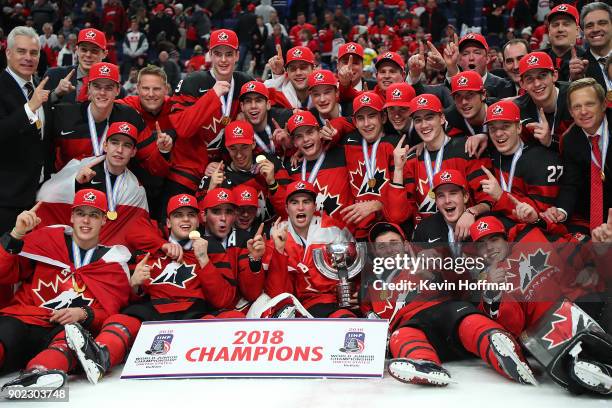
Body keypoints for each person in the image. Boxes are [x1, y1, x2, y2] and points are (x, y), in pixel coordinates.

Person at [60, 192, 258, 384]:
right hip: (153, 313)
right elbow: (127, 295)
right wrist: (135, 284)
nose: (185, 220)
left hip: (193, 313)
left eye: (190, 215)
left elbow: (223, 300)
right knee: (121, 320)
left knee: (232, 317)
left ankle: (217, 364)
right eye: (178, 215)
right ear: (168, 222)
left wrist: (204, 260)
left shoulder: (211, 248)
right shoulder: (150, 245)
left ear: (199, 221)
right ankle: (101, 356)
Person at [0, 189, 131, 391]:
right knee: (5, 333)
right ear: (71, 216)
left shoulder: (113, 263)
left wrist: (84, 313)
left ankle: (36, 375)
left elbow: (110, 313)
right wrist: (16, 234)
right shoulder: (45, 242)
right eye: (81, 213)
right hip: (25, 319)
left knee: (72, 339)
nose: (86, 221)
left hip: (62, 330)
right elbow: (3, 273)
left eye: (94, 215)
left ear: (104, 220)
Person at [470, 216, 612, 395]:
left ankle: (593, 367)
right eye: (482, 244)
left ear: (506, 238)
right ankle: (597, 373)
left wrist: (602, 249)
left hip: (588, 305)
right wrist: (493, 292)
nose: (489, 247)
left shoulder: (535, 239)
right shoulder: (486, 281)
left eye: (494, 239)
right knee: (572, 365)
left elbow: (584, 257)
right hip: (554, 334)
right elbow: (512, 326)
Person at [385, 94, 491, 235]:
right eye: (418, 120)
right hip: (427, 240)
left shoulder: (466, 149)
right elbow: (396, 216)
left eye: (429, 117)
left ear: (441, 118)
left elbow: (489, 200)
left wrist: (472, 212)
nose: (424, 125)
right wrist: (398, 169)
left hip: (466, 236)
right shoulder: (411, 160)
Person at [49, 62, 170, 178]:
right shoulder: (64, 115)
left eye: (109, 87)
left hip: (114, 189)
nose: (102, 92)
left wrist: (163, 152)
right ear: (88, 89)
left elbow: (152, 165)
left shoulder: (130, 116)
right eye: (97, 86)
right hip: (69, 186)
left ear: (117, 90)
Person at [266, 181, 357, 318]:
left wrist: (359, 293)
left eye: (306, 202)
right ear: (286, 208)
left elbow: (355, 269)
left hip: (332, 304)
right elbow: (277, 294)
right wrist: (279, 250)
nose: (300, 208)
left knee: (348, 322)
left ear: (315, 206)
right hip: (291, 309)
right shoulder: (277, 234)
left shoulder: (333, 230)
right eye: (294, 202)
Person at [542, 78, 612, 234]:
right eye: (577, 107)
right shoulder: (570, 140)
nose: (583, 111)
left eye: (589, 104)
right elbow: (571, 183)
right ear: (571, 112)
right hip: (593, 217)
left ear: (603, 105)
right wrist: (562, 210)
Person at [170, 29, 254, 156]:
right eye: (218, 54)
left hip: (231, 161)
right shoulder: (192, 82)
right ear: (210, 55)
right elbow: (183, 128)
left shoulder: (245, 82)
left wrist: (277, 75)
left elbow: (268, 104)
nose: (223, 60)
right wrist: (213, 95)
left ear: (237, 56)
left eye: (229, 54)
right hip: (194, 165)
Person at [481, 100, 562, 224]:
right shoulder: (490, 154)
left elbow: (542, 216)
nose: (498, 133)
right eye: (493, 128)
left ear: (519, 127)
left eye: (505, 126)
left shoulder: (541, 159)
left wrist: (501, 196)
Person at [513, 51, 574, 152]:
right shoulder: (518, 109)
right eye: (529, 79)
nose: (537, 84)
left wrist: (551, 141)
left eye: (542, 75)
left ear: (554, 75)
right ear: (522, 84)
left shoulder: (574, 97)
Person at [44, 28, 121, 104]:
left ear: (105, 54)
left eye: (94, 51)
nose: (88, 55)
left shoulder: (112, 87)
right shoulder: (54, 75)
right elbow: (37, 109)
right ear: (76, 50)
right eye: (84, 50)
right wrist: (56, 94)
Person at [265, 45, 316, 109]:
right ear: (287, 72)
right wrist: (278, 73)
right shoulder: (278, 97)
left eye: (303, 67)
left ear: (313, 69)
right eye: (293, 69)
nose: (298, 73)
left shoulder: (325, 94)